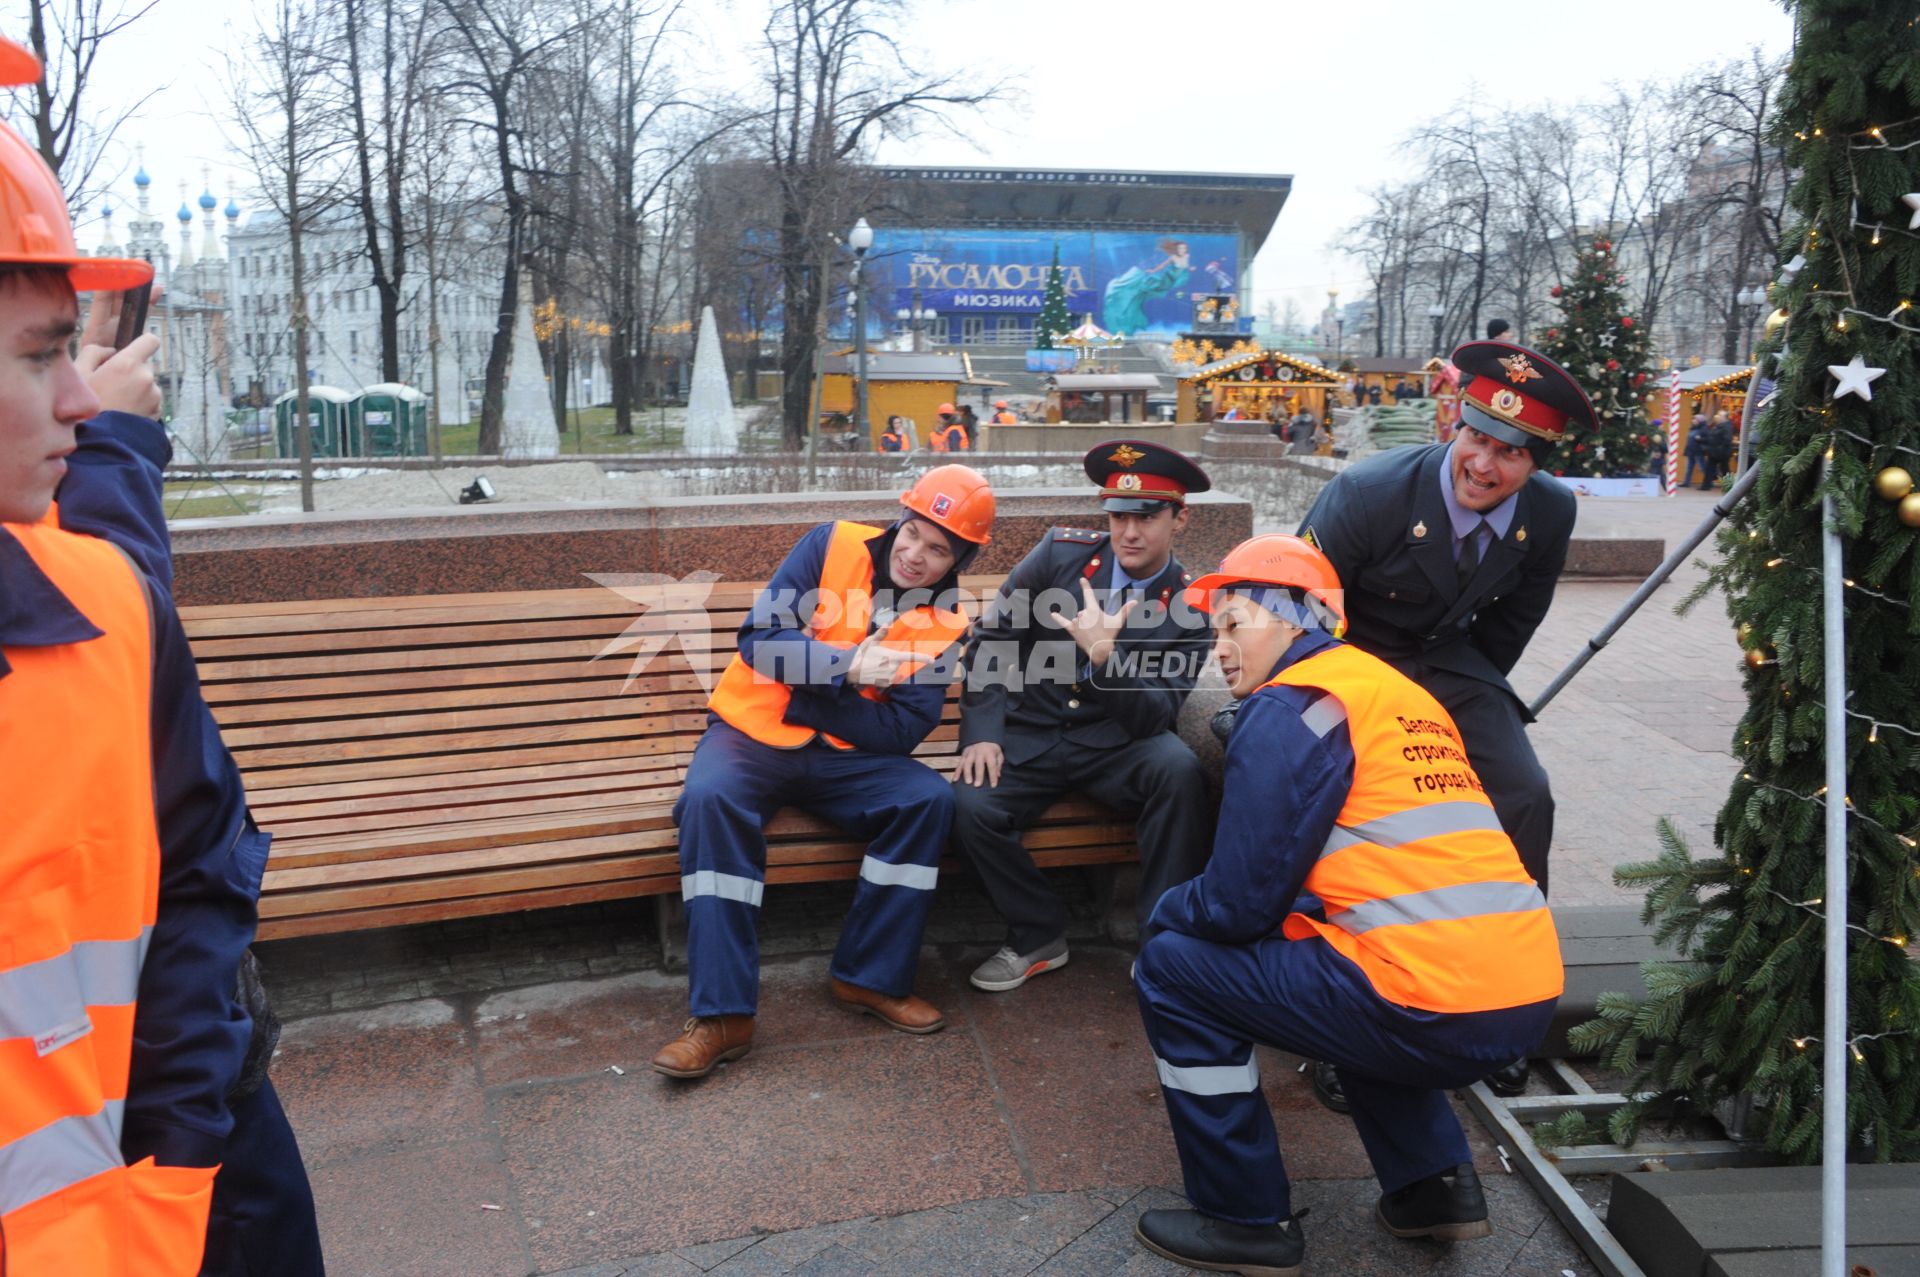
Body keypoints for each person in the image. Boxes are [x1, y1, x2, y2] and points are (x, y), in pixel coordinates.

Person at [0, 37, 288, 1274]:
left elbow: (190, 880)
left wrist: (179, 1154)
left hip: (169, 1196)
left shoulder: (94, 594)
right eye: (33, 357)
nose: (77, 398)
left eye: (70, 350)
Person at [1129, 534, 1563, 1276]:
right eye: (1214, 632)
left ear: (1297, 621)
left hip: (1433, 998)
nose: (1221, 649)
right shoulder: (1391, 692)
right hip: (1523, 992)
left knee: (1172, 967)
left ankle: (1244, 1219)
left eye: (1236, 623)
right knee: (1345, 966)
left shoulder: (1293, 705)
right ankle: (1435, 1189)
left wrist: (1166, 911)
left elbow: (1236, 902)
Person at [1295, 338, 1586, 1105]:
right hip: (1347, 656)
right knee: (1349, 799)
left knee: (1525, 794)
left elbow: (1511, 626)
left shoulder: (1551, 512)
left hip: (1449, 665)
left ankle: (1505, 1000)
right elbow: (1297, 612)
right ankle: (1347, 1007)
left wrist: (1450, 721)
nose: (1486, 465)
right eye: (1479, 437)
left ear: (1540, 461)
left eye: (1513, 453)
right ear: (1455, 421)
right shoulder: (1369, 491)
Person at [651, 465, 996, 1079]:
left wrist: (809, 685)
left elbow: (902, 732)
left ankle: (869, 978)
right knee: (709, 800)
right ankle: (723, 1016)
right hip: (750, 735)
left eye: (939, 549)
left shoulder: (945, 626)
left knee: (926, 800)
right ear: (901, 520)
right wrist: (850, 670)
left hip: (847, 761)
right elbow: (758, 638)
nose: (917, 555)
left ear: (960, 558)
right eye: (914, 533)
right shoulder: (830, 544)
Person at [952, 441, 1214, 991]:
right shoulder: (1059, 554)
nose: (1129, 533)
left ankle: (1160, 946)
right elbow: (994, 640)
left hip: (1118, 741)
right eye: (1118, 517)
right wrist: (981, 733)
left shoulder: (1192, 606)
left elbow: (1155, 715)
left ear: (1179, 518)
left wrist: (1105, 657)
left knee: (1182, 774)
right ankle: (1037, 934)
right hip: (1034, 730)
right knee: (970, 803)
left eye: (1147, 517)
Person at [1703, 410, 1733, 488]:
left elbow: (1727, 439)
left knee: (1724, 469)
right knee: (1719, 468)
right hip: (1716, 451)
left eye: (1720, 416)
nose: (1718, 417)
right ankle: (1706, 485)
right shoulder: (1720, 426)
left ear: (1724, 417)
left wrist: (1720, 448)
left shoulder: (1726, 427)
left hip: (1720, 452)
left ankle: (1729, 485)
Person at [1683, 413, 1710, 488]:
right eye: (1693, 419)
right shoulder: (1693, 428)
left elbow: (1708, 439)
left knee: (1703, 467)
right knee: (1689, 467)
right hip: (1691, 450)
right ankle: (1686, 482)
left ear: (1699, 421)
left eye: (1695, 419)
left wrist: (1700, 439)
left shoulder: (1704, 428)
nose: (1693, 420)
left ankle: (1708, 482)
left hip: (1698, 451)